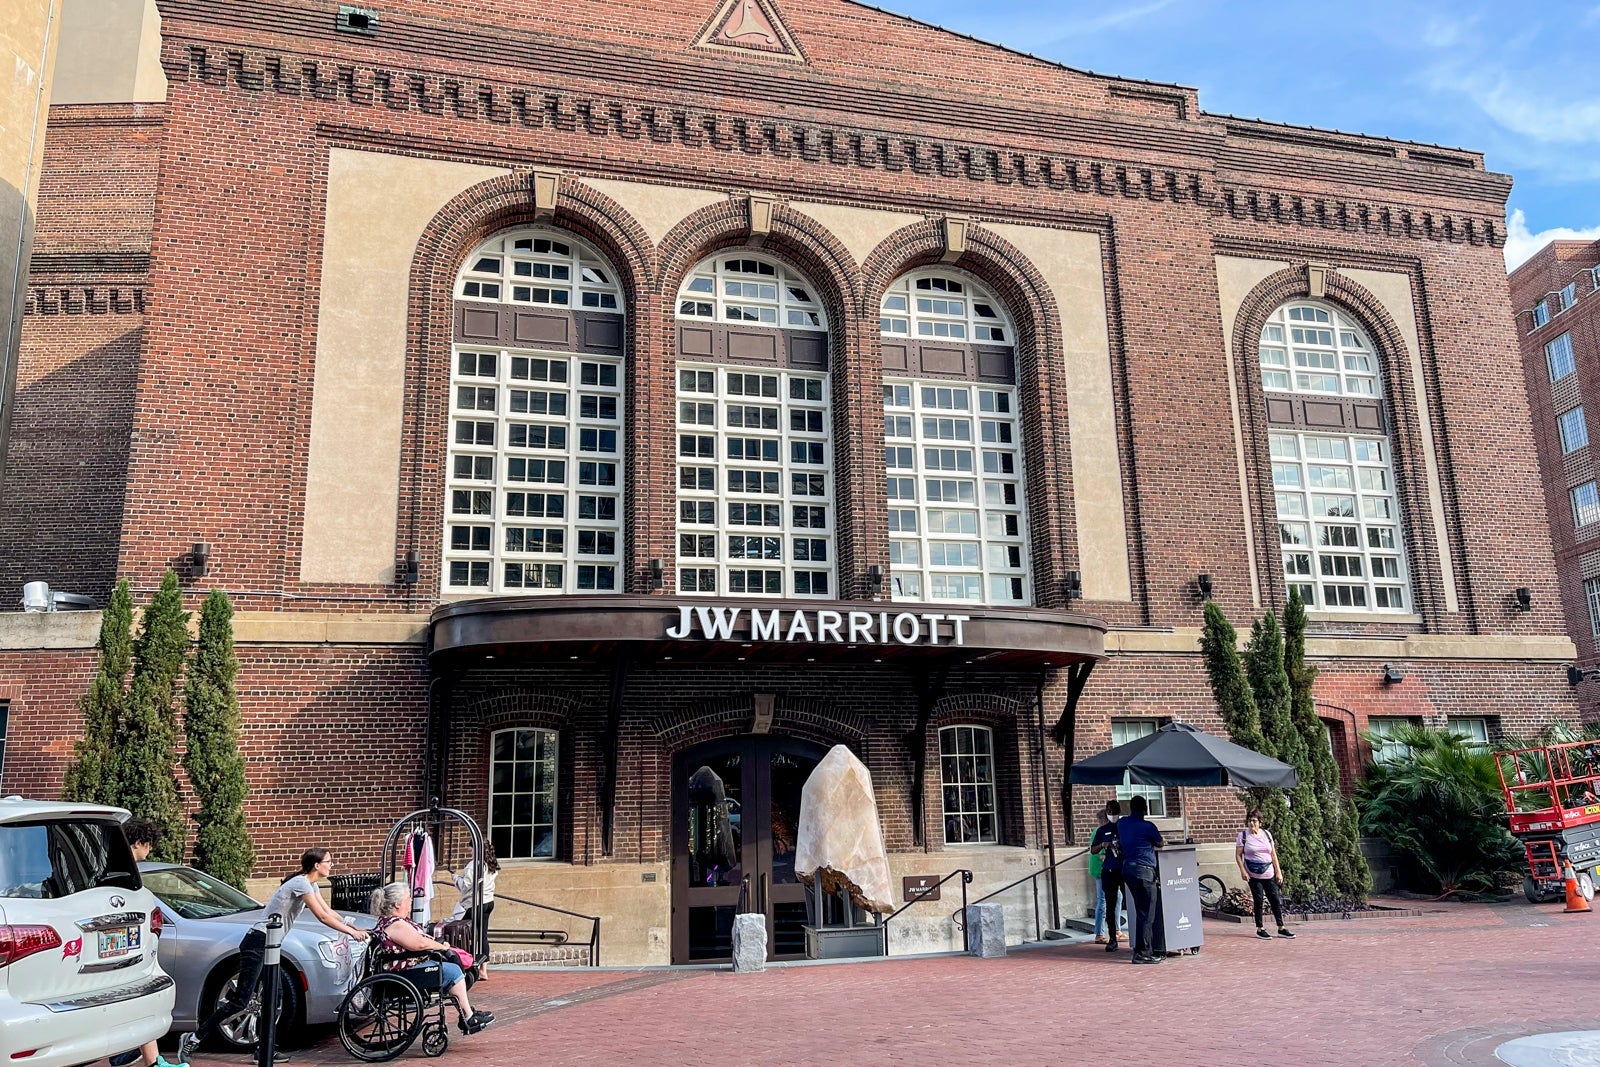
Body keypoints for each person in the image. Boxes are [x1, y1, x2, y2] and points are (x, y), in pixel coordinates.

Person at [179, 849, 370, 1063]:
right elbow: (322, 916)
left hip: (272, 946)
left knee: (274, 998)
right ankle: (194, 1037)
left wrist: (353, 925)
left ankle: (264, 1048)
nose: (331, 865)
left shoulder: (311, 885)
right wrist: (352, 933)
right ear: (316, 865)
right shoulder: (301, 884)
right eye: (329, 861)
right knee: (241, 1000)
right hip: (258, 942)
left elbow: (330, 912)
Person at [109, 820, 186, 1067]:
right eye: (149, 845)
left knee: (136, 1000)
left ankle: (144, 1058)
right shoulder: (126, 869)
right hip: (126, 945)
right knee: (142, 998)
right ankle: (151, 1061)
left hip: (120, 944)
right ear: (140, 842)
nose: (149, 851)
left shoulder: (112, 863)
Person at [369, 882, 494, 1035]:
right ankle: (468, 1017)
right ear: (397, 904)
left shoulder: (394, 922)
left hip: (404, 967)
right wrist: (440, 947)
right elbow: (419, 944)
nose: (411, 901)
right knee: (452, 970)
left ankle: (466, 1013)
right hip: (403, 972)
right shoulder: (395, 924)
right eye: (408, 898)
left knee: (451, 964)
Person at [1116, 794, 1165, 965]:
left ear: (1131, 808)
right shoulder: (1147, 826)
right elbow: (1160, 843)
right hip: (1144, 871)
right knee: (1147, 914)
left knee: (1140, 911)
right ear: (1144, 809)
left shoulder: (1122, 823)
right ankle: (1143, 953)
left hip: (1127, 869)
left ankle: (1141, 949)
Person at [1236, 809, 1296, 940]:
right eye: (1250, 820)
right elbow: (1238, 856)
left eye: (1254, 821)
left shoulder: (1267, 835)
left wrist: (1278, 872)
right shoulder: (1243, 836)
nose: (1252, 823)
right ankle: (1260, 928)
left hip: (1269, 873)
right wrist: (1243, 871)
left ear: (1260, 822)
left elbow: (1273, 854)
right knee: (1258, 901)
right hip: (1253, 874)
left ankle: (1281, 927)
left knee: (1274, 899)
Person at [447, 845, 500, 972]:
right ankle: (483, 969)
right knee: (482, 936)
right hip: (488, 901)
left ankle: (466, 963)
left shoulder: (474, 865)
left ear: (476, 849)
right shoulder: (490, 863)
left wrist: (455, 878)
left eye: (471, 850)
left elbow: (465, 886)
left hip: (474, 903)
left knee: (461, 933)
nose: (470, 853)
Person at [1088, 802, 1127, 950]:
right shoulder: (1102, 830)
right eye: (1109, 810)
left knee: (1126, 901)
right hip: (1109, 870)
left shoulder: (1124, 826)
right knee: (1108, 904)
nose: (1112, 813)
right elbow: (1093, 850)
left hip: (1125, 869)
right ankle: (1112, 938)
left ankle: (1125, 933)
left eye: (1114, 810)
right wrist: (1103, 845)